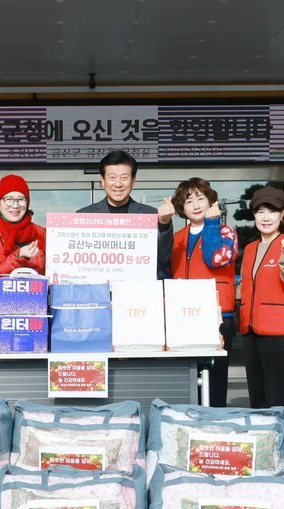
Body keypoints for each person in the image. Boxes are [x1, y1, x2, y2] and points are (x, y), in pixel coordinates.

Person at [170, 177, 238, 407]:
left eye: (201, 198)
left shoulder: (226, 232)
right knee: (188, 376)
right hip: (184, 314)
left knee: (215, 377)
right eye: (189, 201)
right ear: (182, 208)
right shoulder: (177, 238)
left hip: (217, 315)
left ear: (211, 202)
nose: (196, 205)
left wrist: (211, 224)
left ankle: (214, 421)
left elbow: (215, 258)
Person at [237, 186, 284, 410]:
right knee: (257, 393)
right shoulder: (251, 248)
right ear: (254, 215)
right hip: (251, 327)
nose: (266, 217)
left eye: (272, 211)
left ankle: (281, 432)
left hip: (277, 328)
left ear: (282, 215)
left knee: (278, 394)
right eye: (260, 211)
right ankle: (261, 430)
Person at [77, 150, 174, 279]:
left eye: (124, 178)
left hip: (137, 287)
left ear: (133, 180)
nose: (118, 184)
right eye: (112, 178)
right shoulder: (83, 216)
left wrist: (164, 224)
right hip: (98, 288)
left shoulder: (150, 215)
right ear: (103, 180)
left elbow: (163, 257)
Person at [0, 174, 47, 275]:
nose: (15, 205)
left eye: (21, 199)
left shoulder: (41, 233)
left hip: (38, 286)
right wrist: (18, 256)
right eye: (9, 199)